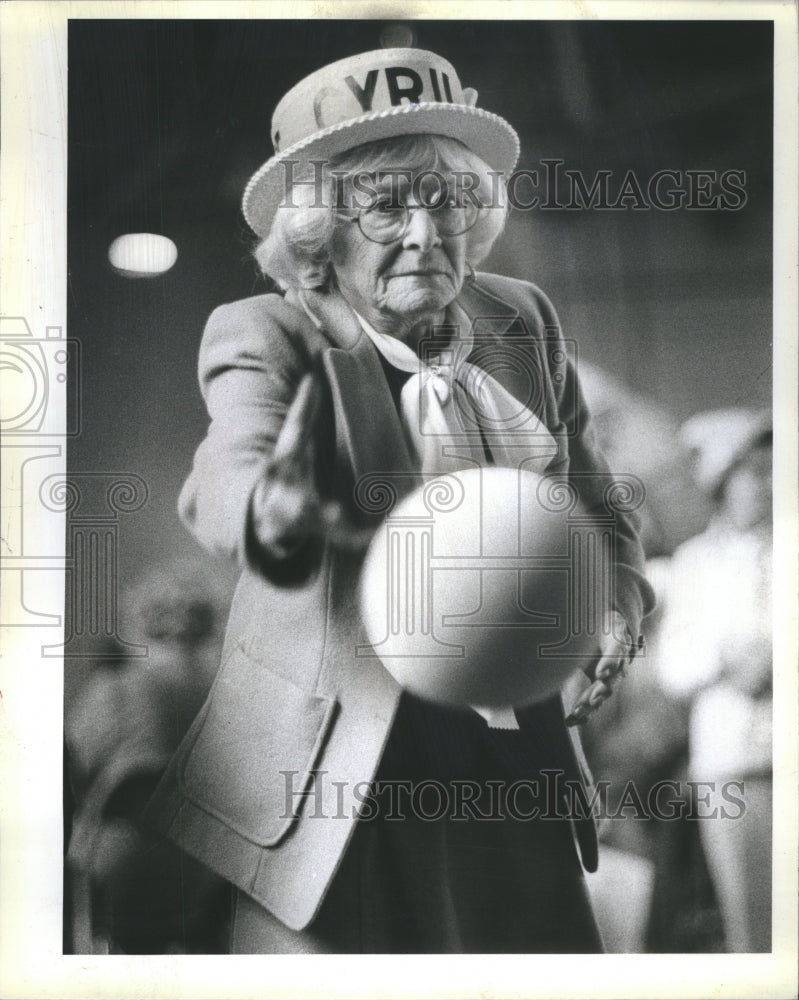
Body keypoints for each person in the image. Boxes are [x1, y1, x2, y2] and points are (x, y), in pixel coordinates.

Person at [146, 46, 654, 953]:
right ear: (316, 237)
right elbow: (228, 470)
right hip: (338, 773)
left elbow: (595, 499)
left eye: (449, 201)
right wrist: (273, 511)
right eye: (385, 206)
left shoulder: (520, 320)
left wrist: (614, 604)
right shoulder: (263, 332)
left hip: (512, 748)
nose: (426, 233)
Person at [655, 409, 772, 952]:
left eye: (774, 471)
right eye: (754, 473)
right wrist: (727, 660)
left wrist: (774, 656)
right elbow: (673, 665)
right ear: (724, 483)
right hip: (729, 765)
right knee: (749, 925)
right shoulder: (695, 563)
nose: (768, 485)